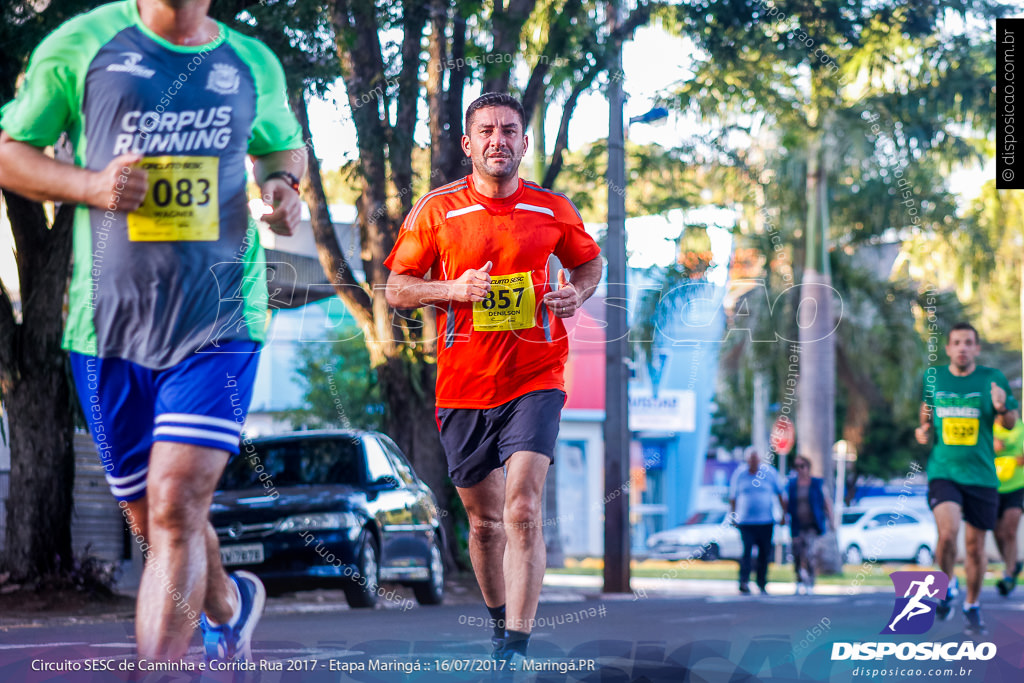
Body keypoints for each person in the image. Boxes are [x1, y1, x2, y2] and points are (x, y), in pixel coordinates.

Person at [0, 0, 305, 662]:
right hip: (107, 326)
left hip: (220, 318)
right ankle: (228, 604)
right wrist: (90, 184)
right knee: (158, 517)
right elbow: (8, 153)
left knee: (173, 504)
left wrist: (284, 187)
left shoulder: (253, 62)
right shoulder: (82, 44)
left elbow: (283, 147)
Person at [384, 92, 602, 661]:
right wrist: (452, 289)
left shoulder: (553, 208)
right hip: (463, 387)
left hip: (537, 375)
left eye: (509, 130)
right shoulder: (437, 210)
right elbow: (398, 289)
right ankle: (502, 623)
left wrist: (574, 293)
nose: (498, 140)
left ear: (525, 143)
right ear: (468, 143)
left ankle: (517, 650)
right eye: (486, 131)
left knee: (523, 510)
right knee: (485, 525)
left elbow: (589, 261)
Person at [915, 322, 1018, 635]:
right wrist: (923, 429)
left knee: (975, 548)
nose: (962, 348)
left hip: (982, 476)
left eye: (968, 343)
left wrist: (1001, 408)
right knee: (948, 534)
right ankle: (945, 586)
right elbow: (926, 411)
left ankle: (972, 605)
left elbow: (1011, 422)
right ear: (948, 348)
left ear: (976, 348)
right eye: (956, 342)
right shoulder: (934, 377)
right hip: (944, 471)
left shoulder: (992, 379)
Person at [729, 447, 787, 595]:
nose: (753, 463)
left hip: (765, 521)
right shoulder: (740, 474)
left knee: (764, 553)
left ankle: (762, 582)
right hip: (746, 522)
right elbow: (733, 498)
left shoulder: (769, 473)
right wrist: (733, 515)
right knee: (746, 552)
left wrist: (783, 514)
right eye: (750, 460)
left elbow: (781, 494)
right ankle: (744, 581)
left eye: (755, 460)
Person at [787, 455, 832, 595]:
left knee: (810, 553)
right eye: (796, 467)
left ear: (808, 467)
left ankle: (811, 581)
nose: (799, 469)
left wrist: (832, 519)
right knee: (797, 553)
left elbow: (826, 502)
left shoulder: (816, 484)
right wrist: (783, 516)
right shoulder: (792, 484)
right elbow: (786, 502)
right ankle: (799, 579)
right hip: (797, 524)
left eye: (802, 466)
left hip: (812, 525)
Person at [993, 415, 1024, 595]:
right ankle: (1011, 564)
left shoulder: (1020, 428)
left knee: (1010, 531)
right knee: (998, 532)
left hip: (1016, 486)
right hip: (992, 486)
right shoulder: (986, 428)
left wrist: (1015, 459)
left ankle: (1009, 575)